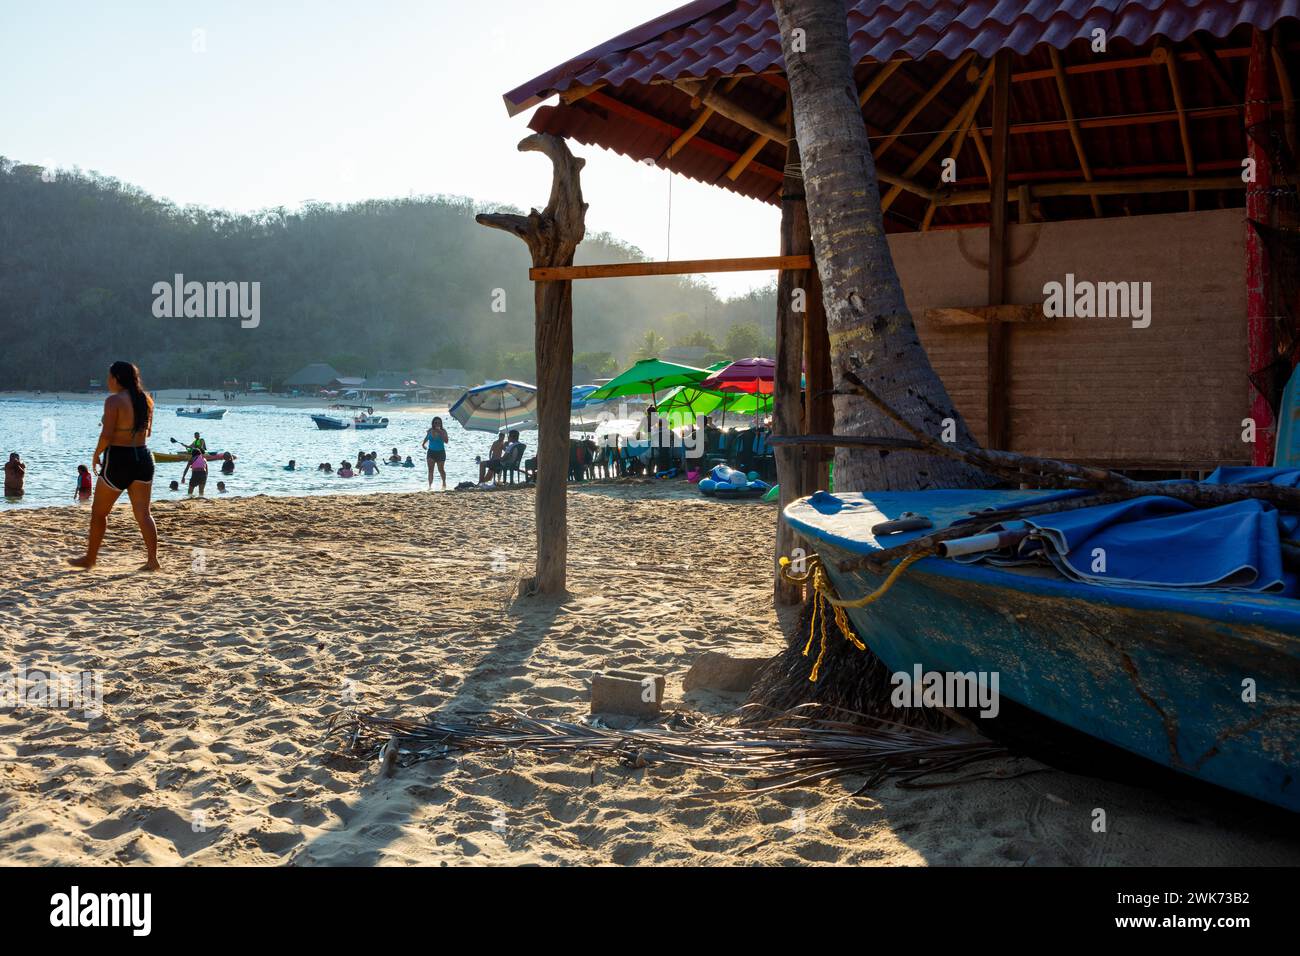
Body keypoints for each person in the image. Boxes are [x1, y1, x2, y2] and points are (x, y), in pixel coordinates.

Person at [68, 361, 159, 571]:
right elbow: (149, 432)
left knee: (99, 512)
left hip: (120, 458)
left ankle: (90, 559)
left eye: (109, 377)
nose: (108, 381)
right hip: (144, 457)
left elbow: (107, 435)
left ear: (117, 378)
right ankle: (153, 560)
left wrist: (96, 454)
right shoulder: (146, 400)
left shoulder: (114, 401)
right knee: (144, 514)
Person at [422, 416, 450, 489]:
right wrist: (423, 444)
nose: (437, 424)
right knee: (430, 470)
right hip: (431, 452)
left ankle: (444, 483)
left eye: (438, 422)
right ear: (433, 423)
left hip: (440, 452)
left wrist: (440, 432)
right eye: (435, 422)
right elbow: (427, 437)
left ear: (441, 423)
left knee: (441, 470)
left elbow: (446, 441)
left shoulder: (443, 431)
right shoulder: (430, 430)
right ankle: (430, 486)